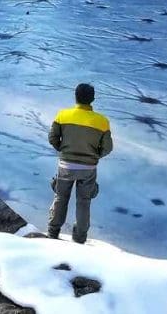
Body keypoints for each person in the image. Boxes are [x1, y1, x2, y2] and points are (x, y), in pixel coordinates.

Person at [47, 83, 113, 244]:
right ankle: (79, 238)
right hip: (88, 168)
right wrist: (94, 156)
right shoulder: (102, 121)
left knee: (61, 197)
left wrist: (63, 151)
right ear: (93, 99)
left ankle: (53, 232)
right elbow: (108, 148)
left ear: (75, 96)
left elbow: (52, 138)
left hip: (66, 166)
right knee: (84, 201)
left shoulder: (62, 115)